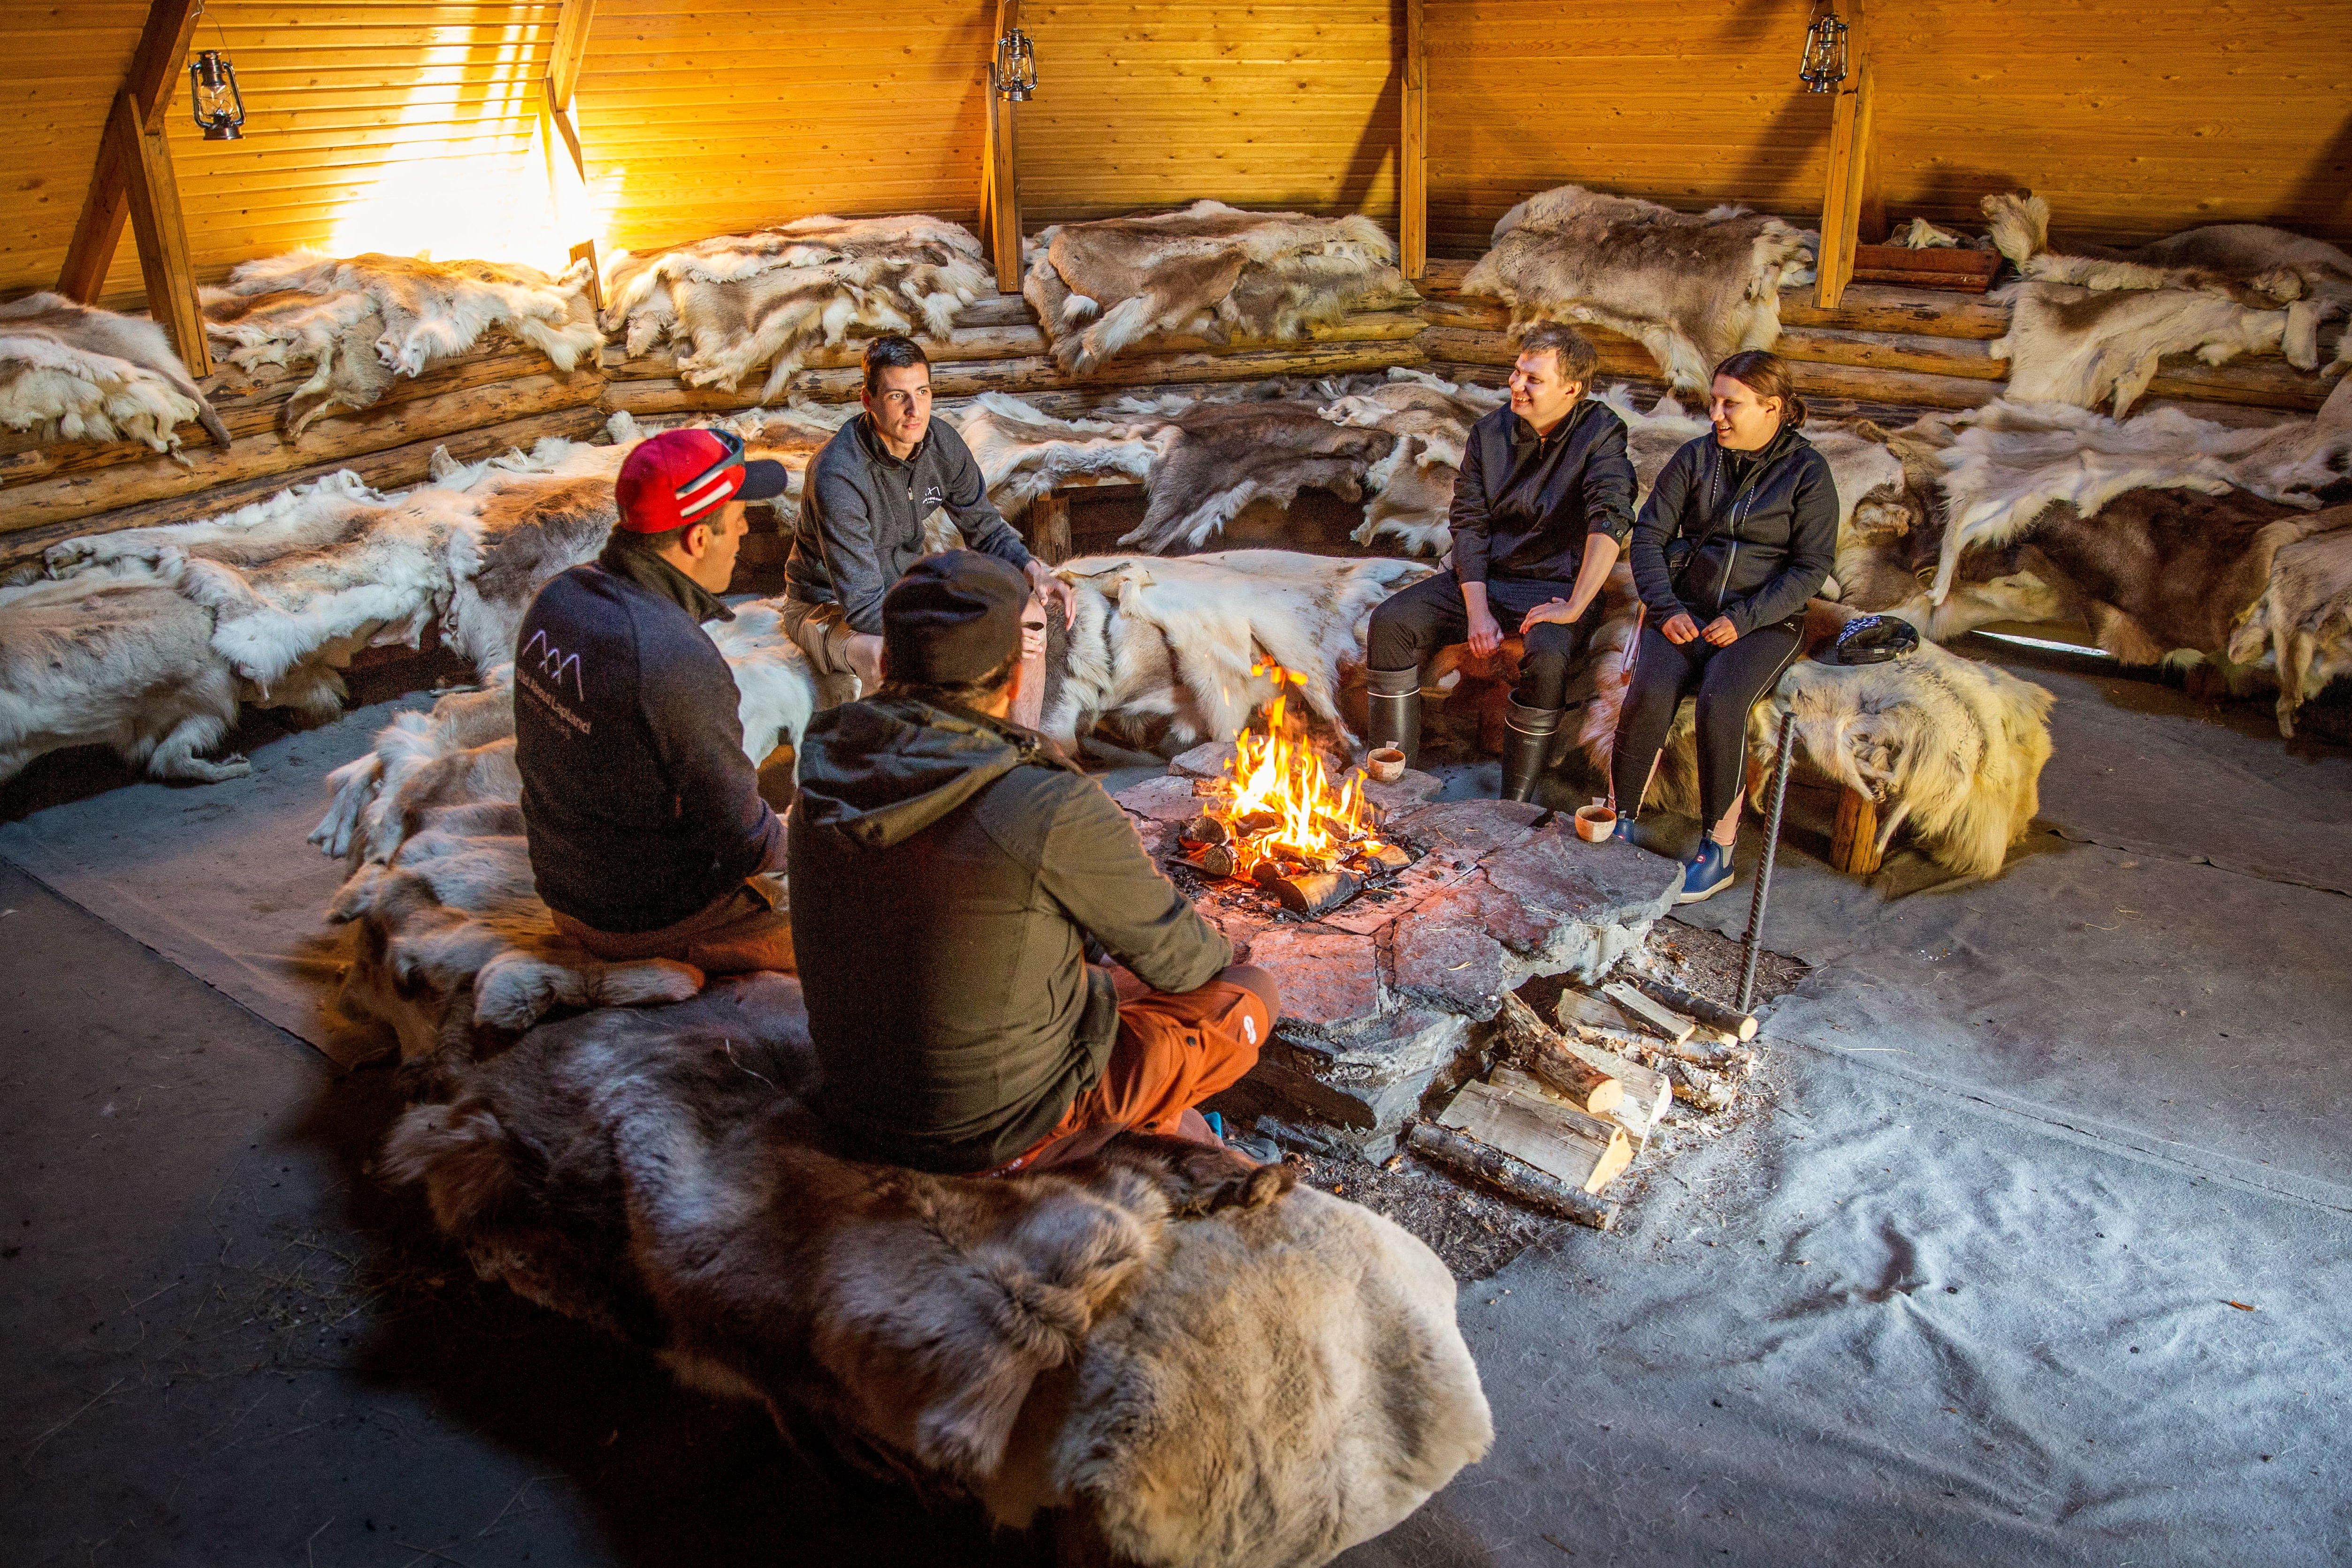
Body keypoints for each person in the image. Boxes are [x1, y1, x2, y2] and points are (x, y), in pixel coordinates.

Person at [788, 551, 1280, 1177]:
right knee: (1247, 991)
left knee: (1079, 965)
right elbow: (1188, 962)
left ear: (885, 663)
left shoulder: (824, 772)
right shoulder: (1044, 799)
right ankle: (1101, 1144)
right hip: (987, 1133)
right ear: (1015, 679)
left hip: (859, 1105)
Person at [510, 426, 797, 974]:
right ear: (697, 539)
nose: (744, 530)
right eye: (739, 517)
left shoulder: (559, 596)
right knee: (861, 928)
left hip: (567, 883)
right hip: (644, 917)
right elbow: (744, 838)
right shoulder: (670, 655)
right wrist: (813, 848)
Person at [1362, 322, 1635, 801]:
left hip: (1556, 586)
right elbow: (1469, 524)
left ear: (1571, 389)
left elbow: (1609, 519)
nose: (1516, 384)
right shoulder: (1490, 434)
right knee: (1390, 622)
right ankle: (1394, 784)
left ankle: (1515, 801)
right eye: (1516, 371)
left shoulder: (1601, 434)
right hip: (1485, 578)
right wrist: (1478, 610)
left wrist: (1574, 606)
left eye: (1533, 379)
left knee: (1549, 656)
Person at [1610, 350, 1838, 904]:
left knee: (1721, 701)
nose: (1715, 414)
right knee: (1647, 694)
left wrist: (1742, 619)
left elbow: (1810, 567)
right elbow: (1649, 536)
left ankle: (1717, 851)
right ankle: (1619, 821)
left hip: (1762, 621)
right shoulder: (1695, 457)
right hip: (1684, 609)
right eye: (1713, 402)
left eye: (1730, 404)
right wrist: (1665, 608)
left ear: (1772, 408)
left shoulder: (1807, 473)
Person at [783, 334, 1072, 697]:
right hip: (826, 605)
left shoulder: (941, 444)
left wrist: (1035, 572)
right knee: (885, 656)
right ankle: (891, 738)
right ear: (868, 401)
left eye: (922, 392)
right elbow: (864, 608)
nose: (914, 410)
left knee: (1031, 615)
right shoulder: (838, 474)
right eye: (897, 396)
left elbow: (986, 530)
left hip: (902, 591)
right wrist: (975, 634)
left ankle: (1017, 734)